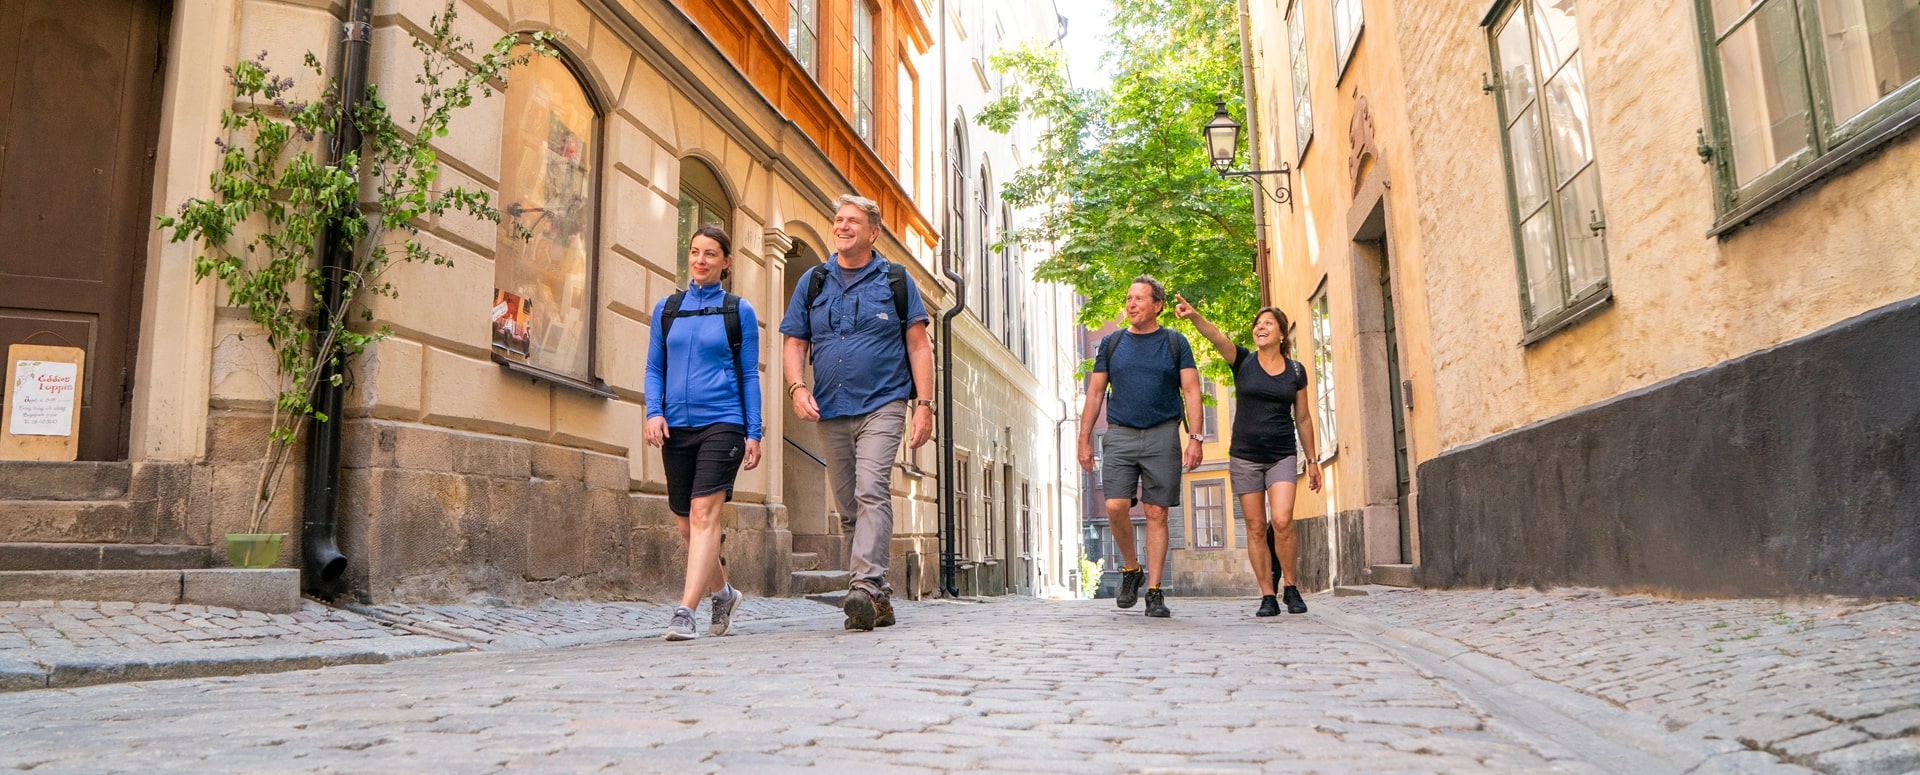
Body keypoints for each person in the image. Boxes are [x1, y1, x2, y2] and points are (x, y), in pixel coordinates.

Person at [781, 194, 934, 631]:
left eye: (852, 221)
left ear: (873, 232)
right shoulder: (813, 281)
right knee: (849, 506)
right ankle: (877, 598)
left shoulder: (896, 280)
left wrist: (923, 406)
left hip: (883, 403)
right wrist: (796, 386)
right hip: (831, 406)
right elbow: (795, 341)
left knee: (871, 490)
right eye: (838, 220)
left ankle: (863, 585)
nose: (842, 226)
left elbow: (919, 345)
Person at [645, 225, 762, 641]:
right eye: (695, 252)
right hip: (675, 426)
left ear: (726, 262)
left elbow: (749, 374)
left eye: (711, 254)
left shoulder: (738, 311)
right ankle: (724, 593)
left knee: (703, 515)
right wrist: (653, 412)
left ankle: (685, 612)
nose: (700, 260)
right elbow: (655, 368)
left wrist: (754, 431)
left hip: (723, 422)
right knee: (685, 525)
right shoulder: (667, 309)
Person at [1174, 295, 1322, 617]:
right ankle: (1267, 594)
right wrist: (1194, 315)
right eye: (1258, 323)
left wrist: (1312, 461)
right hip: (1245, 457)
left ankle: (1291, 587)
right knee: (1255, 527)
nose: (1260, 327)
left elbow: (1305, 418)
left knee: (1282, 520)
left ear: (1282, 334)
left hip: (1282, 454)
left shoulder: (1295, 371)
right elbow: (1216, 337)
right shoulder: (1242, 361)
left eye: (1268, 323)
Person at [1077, 276, 1203, 618]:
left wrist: (1195, 438)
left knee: (1157, 512)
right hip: (1120, 434)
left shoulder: (1175, 343)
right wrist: (1083, 438)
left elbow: (1192, 391)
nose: (1131, 304)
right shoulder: (1112, 343)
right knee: (1115, 505)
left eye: (1139, 299)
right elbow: (1095, 393)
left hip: (1163, 434)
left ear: (1157, 305)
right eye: (1128, 298)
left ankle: (1155, 591)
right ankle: (1132, 568)